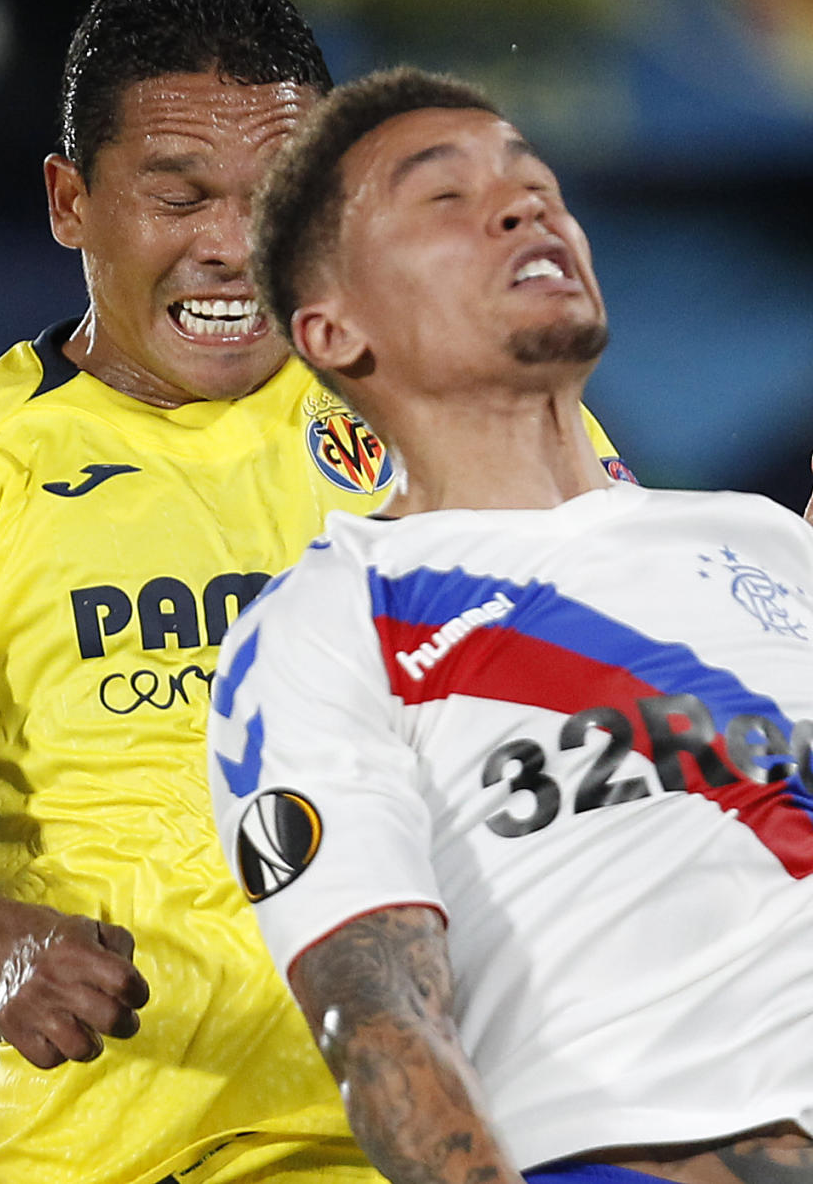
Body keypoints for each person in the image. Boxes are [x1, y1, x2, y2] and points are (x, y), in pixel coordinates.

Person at [0, 0, 622, 1184]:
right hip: (130, 1157)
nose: (229, 247)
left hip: (458, 1143)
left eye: (272, 200)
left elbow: (659, 654)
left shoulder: (445, 408)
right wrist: (3, 942)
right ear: (68, 200)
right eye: (179, 196)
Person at [208, 66, 813, 1184]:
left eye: (535, 181)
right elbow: (377, 1011)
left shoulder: (769, 544)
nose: (524, 203)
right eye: (445, 198)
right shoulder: (330, 620)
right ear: (333, 330)